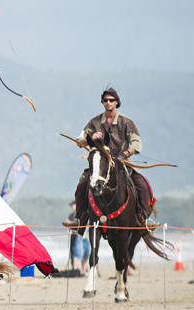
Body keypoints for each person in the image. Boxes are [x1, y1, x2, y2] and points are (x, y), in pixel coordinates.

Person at [72, 87, 157, 235]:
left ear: (117, 102)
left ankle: (143, 219)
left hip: (121, 164)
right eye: (105, 100)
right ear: (102, 103)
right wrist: (90, 139)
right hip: (99, 166)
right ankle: (80, 220)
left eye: (111, 100)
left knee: (143, 186)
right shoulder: (94, 122)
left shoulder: (127, 122)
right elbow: (79, 141)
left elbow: (136, 144)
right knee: (82, 185)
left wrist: (124, 154)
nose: (108, 102)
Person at [63, 201, 89, 277]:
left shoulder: (83, 213)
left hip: (86, 235)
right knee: (76, 252)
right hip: (76, 236)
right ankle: (75, 269)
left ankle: (84, 271)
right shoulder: (71, 215)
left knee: (86, 253)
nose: (72, 207)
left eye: (73, 205)